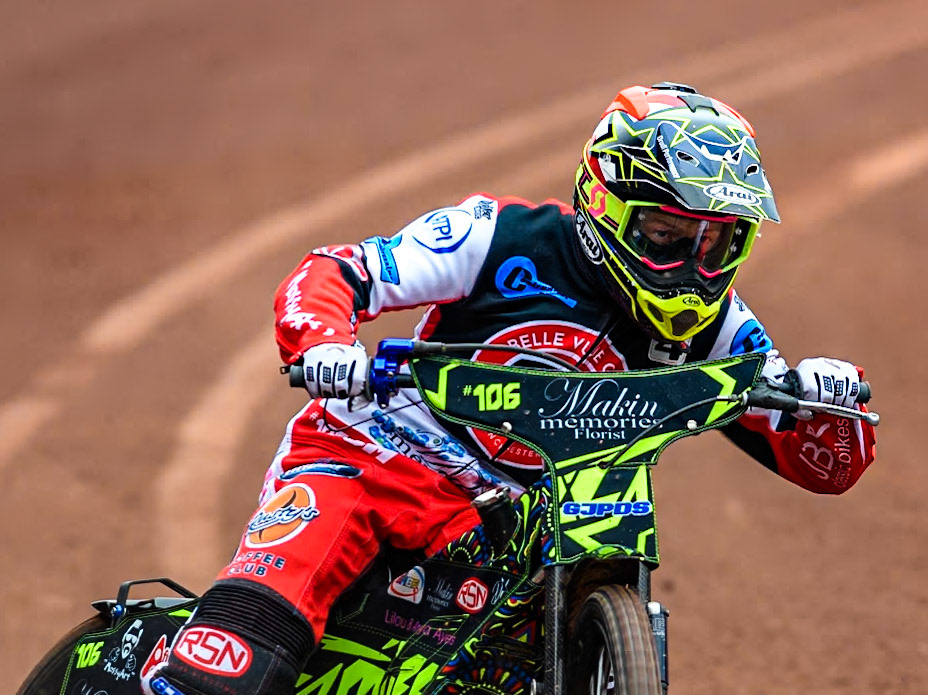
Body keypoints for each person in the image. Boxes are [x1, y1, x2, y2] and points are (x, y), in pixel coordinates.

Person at [145, 82, 877, 695]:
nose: (693, 263)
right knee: (256, 632)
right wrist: (326, 345)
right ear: (607, 202)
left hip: (528, 522)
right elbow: (340, 271)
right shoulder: (495, 236)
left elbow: (822, 458)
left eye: (716, 242)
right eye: (666, 233)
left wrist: (825, 399)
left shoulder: (714, 322)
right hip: (379, 459)